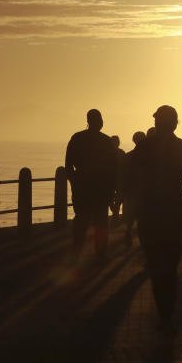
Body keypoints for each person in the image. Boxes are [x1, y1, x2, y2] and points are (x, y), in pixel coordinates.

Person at [130, 105, 182, 332]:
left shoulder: (144, 147)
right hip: (177, 213)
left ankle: (165, 312)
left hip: (151, 212)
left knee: (156, 264)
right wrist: (179, 182)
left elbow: (130, 175)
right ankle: (167, 314)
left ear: (157, 123)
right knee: (169, 265)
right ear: (175, 123)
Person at [65, 109, 118, 260]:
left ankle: (76, 251)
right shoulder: (107, 142)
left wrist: (74, 182)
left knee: (81, 220)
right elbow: (115, 169)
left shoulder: (77, 138)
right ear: (100, 122)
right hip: (102, 189)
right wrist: (113, 191)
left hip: (82, 187)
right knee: (101, 222)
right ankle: (100, 254)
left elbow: (68, 166)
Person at [122, 131, 146, 247]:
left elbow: (123, 175)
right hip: (144, 191)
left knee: (131, 216)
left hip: (131, 190)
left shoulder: (128, 156)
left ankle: (128, 233)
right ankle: (143, 239)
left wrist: (122, 191)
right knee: (143, 217)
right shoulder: (150, 156)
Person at [110, 135, 128, 221]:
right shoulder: (122, 153)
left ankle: (115, 214)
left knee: (113, 199)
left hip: (112, 179)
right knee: (119, 199)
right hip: (119, 179)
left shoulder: (106, 154)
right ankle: (116, 215)